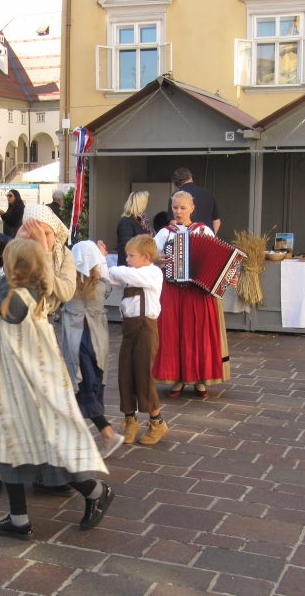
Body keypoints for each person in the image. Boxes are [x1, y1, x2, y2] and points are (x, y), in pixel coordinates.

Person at [0, 238, 113, 540]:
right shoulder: (32, 290)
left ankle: (95, 491)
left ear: (12, 267)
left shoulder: (17, 297)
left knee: (35, 449)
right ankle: (21, 518)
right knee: (18, 449)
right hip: (26, 388)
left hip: (31, 391)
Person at [0, 203, 76, 490]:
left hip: (40, 342)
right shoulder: (17, 256)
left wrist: (42, 256)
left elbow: (63, 292)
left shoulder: (64, 256)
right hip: (8, 344)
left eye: (47, 234)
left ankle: (49, 477)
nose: (43, 239)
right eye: (34, 234)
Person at [153, 191, 228, 399]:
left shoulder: (203, 230)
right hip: (172, 290)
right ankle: (177, 378)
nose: (178, 211)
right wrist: (158, 259)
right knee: (174, 333)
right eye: (175, 207)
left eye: (182, 208)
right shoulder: (164, 233)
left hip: (198, 291)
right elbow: (150, 256)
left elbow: (216, 256)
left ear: (192, 209)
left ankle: (199, 380)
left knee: (198, 334)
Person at [61, 240, 124, 458]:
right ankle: (88, 436)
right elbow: (105, 279)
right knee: (91, 381)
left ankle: (105, 432)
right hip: (97, 338)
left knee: (79, 384)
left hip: (76, 338)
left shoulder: (69, 286)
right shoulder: (102, 284)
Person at [108, 234, 166, 445]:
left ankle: (157, 422)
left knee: (144, 375)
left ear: (146, 257)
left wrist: (111, 268)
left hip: (145, 329)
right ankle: (130, 420)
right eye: (127, 256)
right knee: (125, 374)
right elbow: (113, 278)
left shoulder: (152, 273)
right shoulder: (133, 273)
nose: (128, 259)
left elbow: (119, 273)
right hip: (129, 330)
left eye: (131, 256)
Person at [167, 168, 221, 234]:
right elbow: (216, 222)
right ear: (191, 178)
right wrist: (210, 237)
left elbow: (173, 222)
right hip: (205, 238)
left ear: (175, 183)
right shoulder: (208, 194)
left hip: (184, 239)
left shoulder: (176, 197)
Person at [115, 190, 153, 266]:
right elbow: (126, 247)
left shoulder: (141, 221)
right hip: (130, 268)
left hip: (139, 266)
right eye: (145, 203)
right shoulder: (126, 222)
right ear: (140, 204)